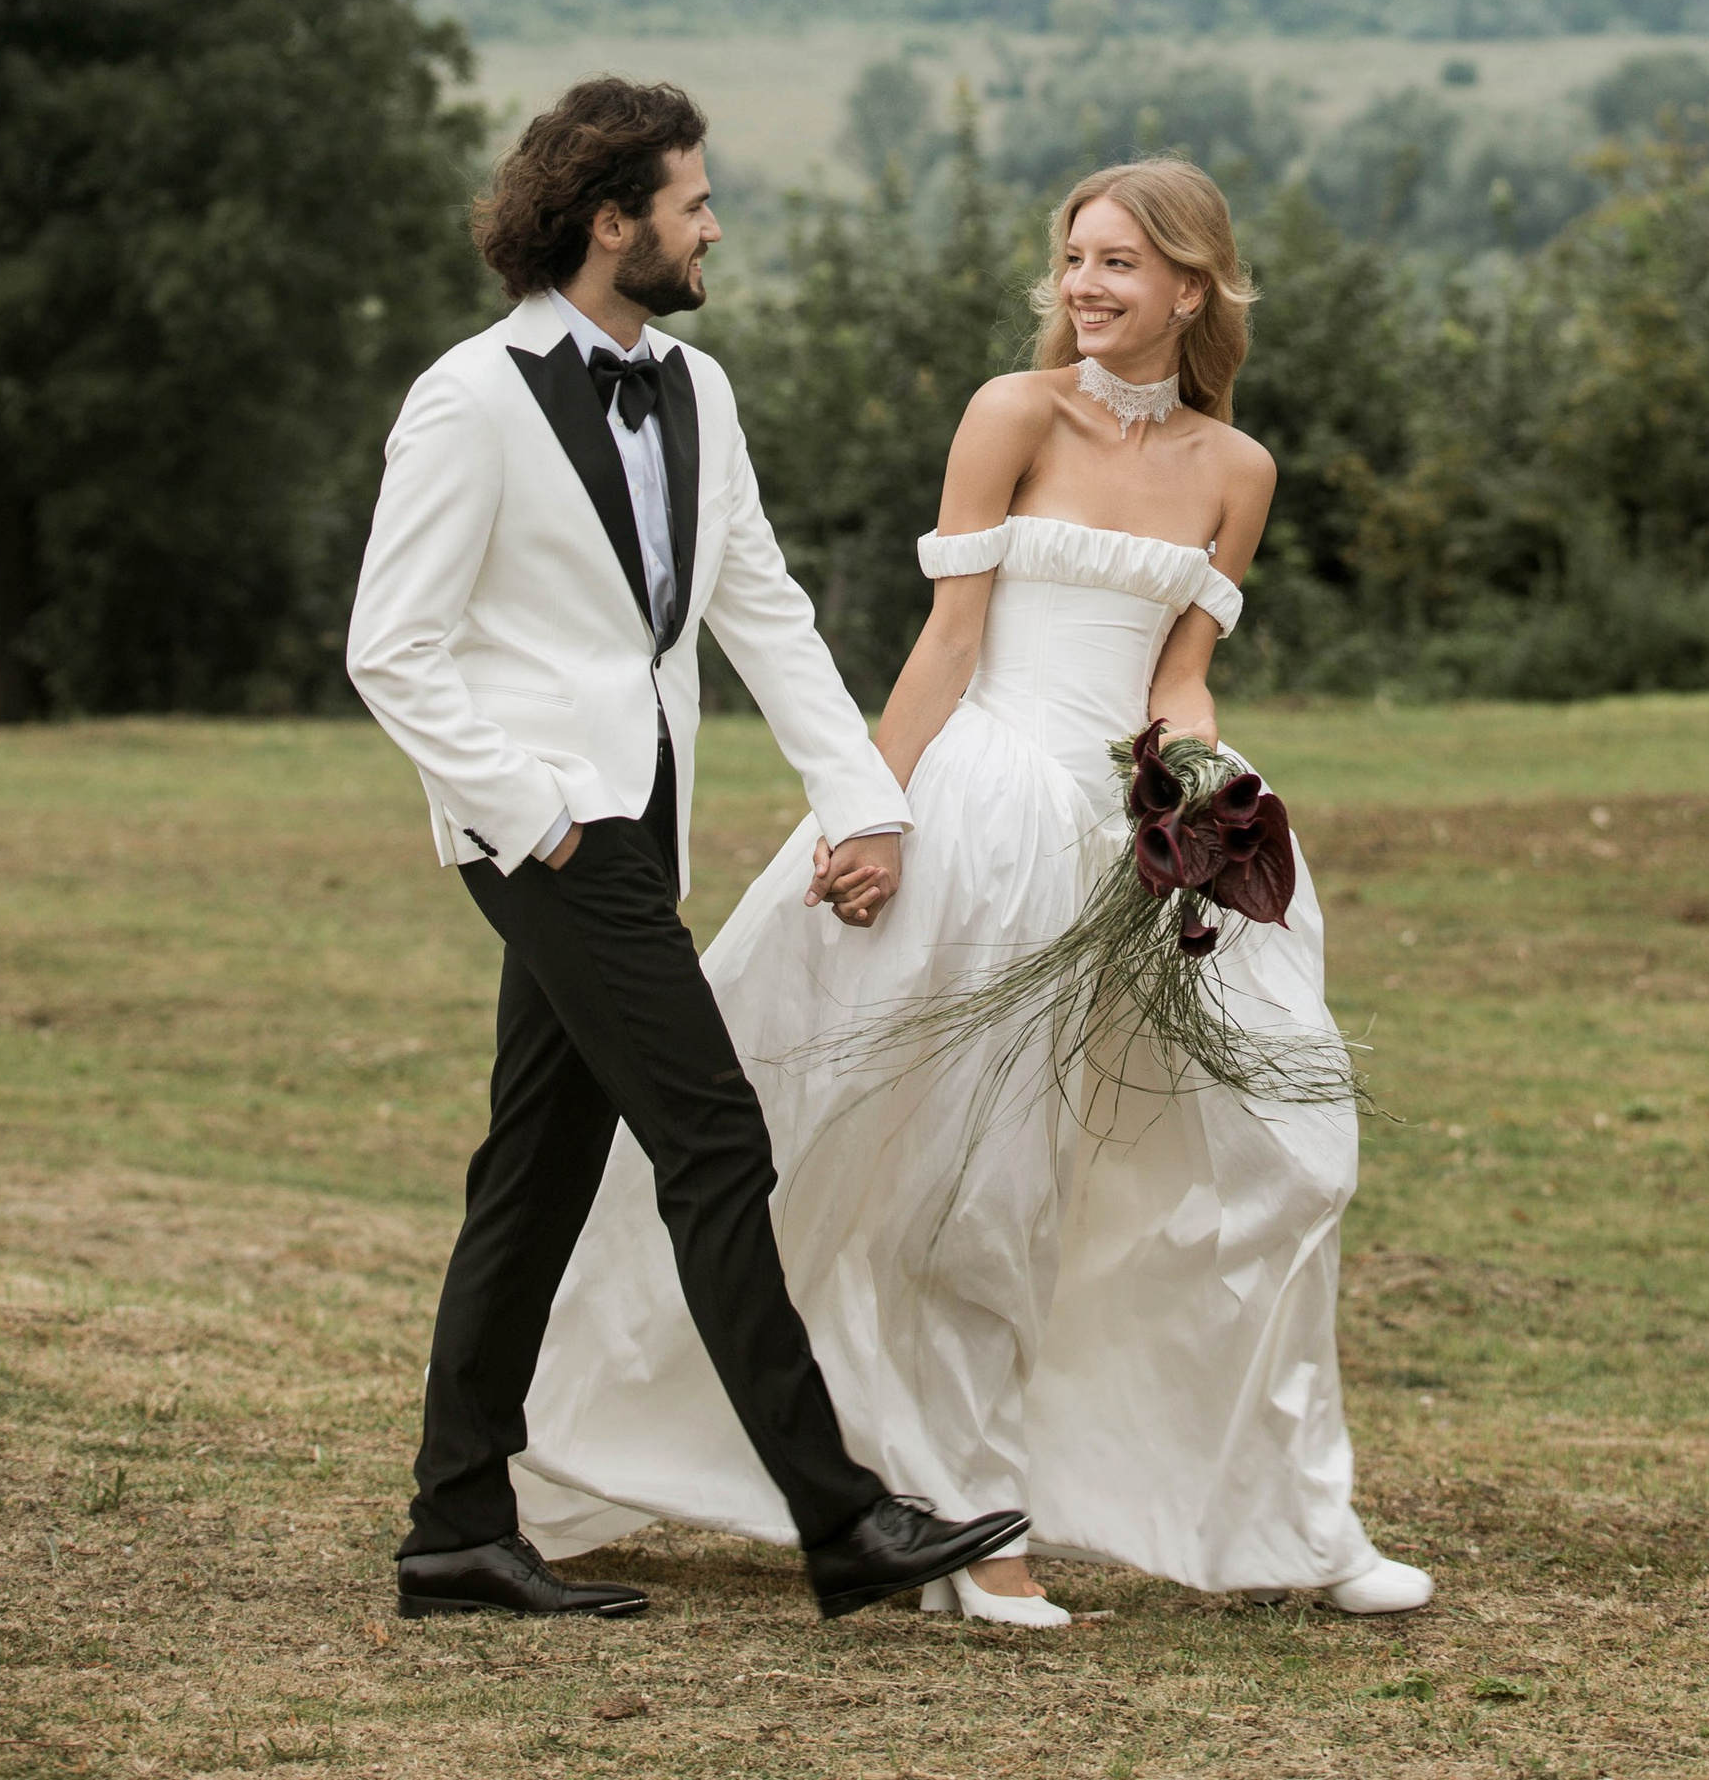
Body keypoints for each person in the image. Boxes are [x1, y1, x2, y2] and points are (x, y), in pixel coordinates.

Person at [511, 154, 1432, 1625]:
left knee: (1287, 1158)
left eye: (1119, 262)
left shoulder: (1237, 469)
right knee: (980, 1180)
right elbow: (949, 643)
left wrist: (1198, 788)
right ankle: (971, 1525)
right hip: (987, 817)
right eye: (1075, 257)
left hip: (1136, 838)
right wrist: (868, 812)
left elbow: (1181, 677)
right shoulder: (1015, 412)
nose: (1085, 284)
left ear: (1191, 285)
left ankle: (1296, 1513)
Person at [345, 74, 1027, 1624]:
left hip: (640, 825)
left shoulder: (697, 391)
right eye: (693, 202)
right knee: (714, 1139)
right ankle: (841, 1517)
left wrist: (863, 796)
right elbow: (392, 647)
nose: (714, 225)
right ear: (611, 222)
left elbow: (761, 608)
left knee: (535, 1167)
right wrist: (532, 813)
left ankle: (455, 1527)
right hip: (547, 833)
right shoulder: (469, 396)